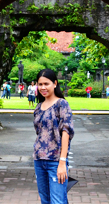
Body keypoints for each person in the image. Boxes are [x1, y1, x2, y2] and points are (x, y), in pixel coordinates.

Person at [33, 69, 74, 204]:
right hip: (39, 159)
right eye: (40, 84)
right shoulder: (39, 107)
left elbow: (66, 132)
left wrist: (62, 162)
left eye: (46, 83)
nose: (43, 87)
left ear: (55, 84)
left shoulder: (62, 104)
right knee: (45, 201)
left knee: (57, 201)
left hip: (55, 161)